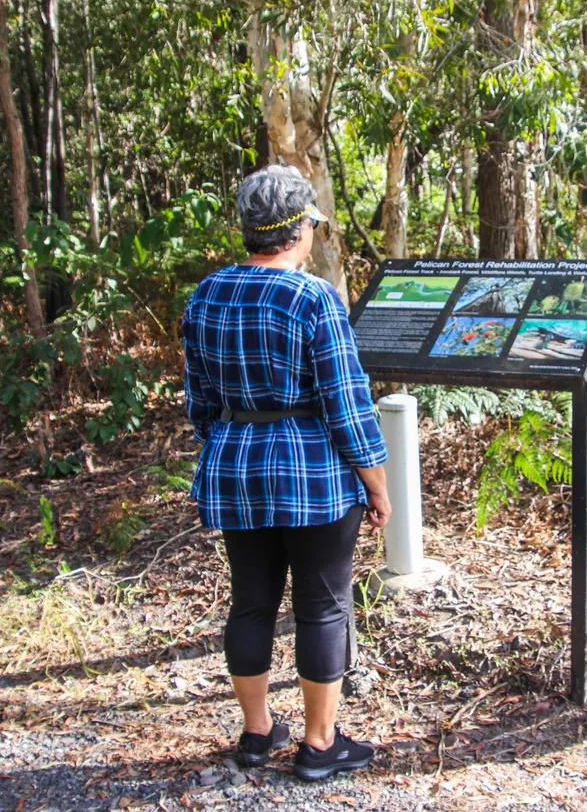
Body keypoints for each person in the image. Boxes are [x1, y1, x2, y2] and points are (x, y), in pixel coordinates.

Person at [181, 165, 391, 781]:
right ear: (299, 231)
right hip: (314, 475)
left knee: (250, 603)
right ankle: (319, 745)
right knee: (322, 608)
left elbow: (200, 398)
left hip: (235, 465)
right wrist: (378, 486)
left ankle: (256, 733)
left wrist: (229, 442)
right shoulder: (313, 298)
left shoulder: (208, 293)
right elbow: (347, 405)